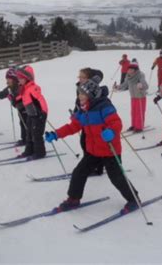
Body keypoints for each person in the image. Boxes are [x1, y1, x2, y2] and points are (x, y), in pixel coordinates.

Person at [45, 75, 140, 213]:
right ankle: (73, 199)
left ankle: (134, 199)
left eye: (82, 94)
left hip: (109, 150)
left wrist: (111, 131)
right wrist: (56, 134)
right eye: (79, 93)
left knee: (116, 178)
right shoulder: (83, 109)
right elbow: (73, 126)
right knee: (79, 172)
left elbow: (116, 123)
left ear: (91, 95)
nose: (79, 96)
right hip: (93, 151)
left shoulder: (104, 107)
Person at [74, 68, 104, 176]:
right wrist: (75, 113)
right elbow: (78, 102)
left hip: (93, 121)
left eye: (83, 77)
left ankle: (98, 166)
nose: (80, 79)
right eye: (79, 77)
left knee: (94, 144)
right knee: (84, 143)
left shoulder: (92, 89)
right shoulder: (80, 87)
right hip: (84, 119)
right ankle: (89, 164)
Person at [16, 65, 48, 160]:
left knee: (36, 133)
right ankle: (29, 150)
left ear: (27, 78)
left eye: (21, 78)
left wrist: (43, 112)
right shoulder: (24, 88)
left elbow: (41, 100)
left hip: (39, 114)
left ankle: (40, 152)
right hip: (31, 114)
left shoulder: (33, 88)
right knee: (29, 132)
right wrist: (15, 100)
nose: (19, 80)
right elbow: (21, 99)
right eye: (19, 78)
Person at [0, 68, 26, 146]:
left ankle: (29, 139)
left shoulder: (19, 87)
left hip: (26, 109)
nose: (7, 81)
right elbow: (2, 94)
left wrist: (12, 98)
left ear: (14, 79)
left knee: (26, 124)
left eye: (9, 79)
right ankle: (25, 139)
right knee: (22, 123)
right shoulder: (9, 88)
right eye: (7, 79)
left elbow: (20, 98)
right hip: (19, 109)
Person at [116, 62, 149, 133]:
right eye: (129, 69)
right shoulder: (128, 76)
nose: (129, 70)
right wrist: (118, 87)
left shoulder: (140, 75)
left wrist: (141, 85)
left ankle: (139, 127)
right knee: (133, 112)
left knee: (139, 112)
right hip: (133, 97)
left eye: (131, 69)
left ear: (135, 70)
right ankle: (134, 125)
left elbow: (146, 86)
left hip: (140, 97)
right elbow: (124, 84)